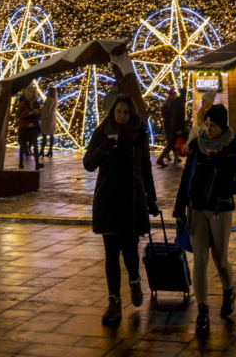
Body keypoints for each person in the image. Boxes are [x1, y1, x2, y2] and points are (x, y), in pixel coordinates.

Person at [83, 94, 158, 325]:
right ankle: (114, 301)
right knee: (111, 253)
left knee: (130, 250)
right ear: (113, 113)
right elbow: (88, 163)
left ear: (131, 113)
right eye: (119, 112)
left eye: (126, 112)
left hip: (132, 200)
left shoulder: (139, 135)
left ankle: (134, 280)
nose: (123, 116)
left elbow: (145, 167)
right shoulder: (103, 132)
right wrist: (104, 148)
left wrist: (152, 200)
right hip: (108, 200)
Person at [173, 103, 236, 335]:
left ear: (223, 127)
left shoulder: (232, 149)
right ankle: (202, 310)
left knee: (220, 259)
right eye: (207, 124)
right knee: (200, 259)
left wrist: (218, 162)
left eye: (213, 126)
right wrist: (178, 209)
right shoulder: (196, 146)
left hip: (220, 209)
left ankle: (228, 289)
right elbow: (186, 178)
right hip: (197, 209)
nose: (208, 129)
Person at [157, 88, 186, 166]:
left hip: (173, 126)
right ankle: (173, 157)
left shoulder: (176, 102)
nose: (174, 95)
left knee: (171, 143)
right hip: (172, 126)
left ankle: (163, 158)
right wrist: (179, 127)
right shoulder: (177, 103)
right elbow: (178, 116)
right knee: (172, 142)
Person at [17, 84, 42, 170]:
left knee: (35, 145)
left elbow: (40, 114)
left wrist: (38, 114)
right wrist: (29, 113)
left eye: (34, 92)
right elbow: (19, 114)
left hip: (33, 126)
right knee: (22, 144)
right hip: (24, 126)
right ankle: (20, 162)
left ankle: (37, 163)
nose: (33, 93)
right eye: (31, 92)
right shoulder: (23, 103)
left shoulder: (37, 103)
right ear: (28, 93)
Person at [40, 86, 58, 157]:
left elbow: (47, 110)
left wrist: (43, 116)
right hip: (52, 118)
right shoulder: (55, 99)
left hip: (47, 119)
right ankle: (50, 150)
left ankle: (42, 150)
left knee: (44, 135)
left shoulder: (49, 99)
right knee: (51, 135)